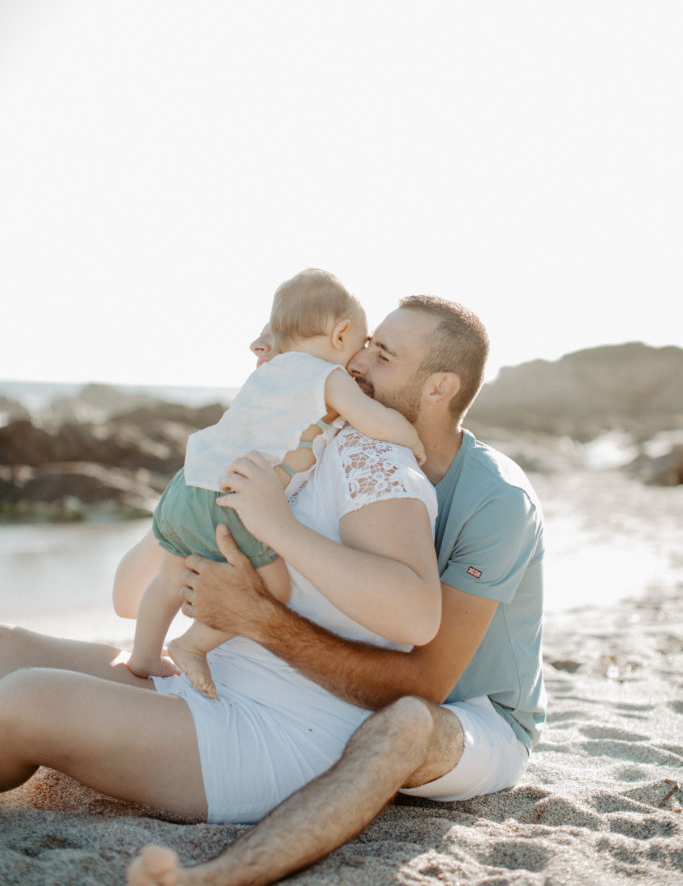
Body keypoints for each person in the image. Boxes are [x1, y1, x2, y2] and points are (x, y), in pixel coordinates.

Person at [126, 294, 546, 886]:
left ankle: (222, 876)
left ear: (438, 388)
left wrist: (259, 616)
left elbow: (428, 681)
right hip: (365, 691)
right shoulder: (354, 451)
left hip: (475, 715)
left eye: (382, 357)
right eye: (365, 347)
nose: (356, 365)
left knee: (405, 722)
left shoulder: (496, 500)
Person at [0, 298, 443, 831]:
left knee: (22, 701)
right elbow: (126, 596)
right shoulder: (254, 451)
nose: (258, 346)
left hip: (275, 730)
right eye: (263, 336)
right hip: (203, 684)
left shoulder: (370, 452)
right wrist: (186, 524)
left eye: (278, 337)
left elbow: (417, 615)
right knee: (8, 646)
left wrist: (278, 528)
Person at [128, 268, 426, 698]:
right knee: (276, 588)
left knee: (168, 577)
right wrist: (411, 438)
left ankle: (143, 654)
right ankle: (191, 645)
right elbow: (372, 418)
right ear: (342, 334)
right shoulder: (328, 377)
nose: (359, 359)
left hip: (187, 484)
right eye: (361, 344)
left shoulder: (265, 372)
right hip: (229, 497)